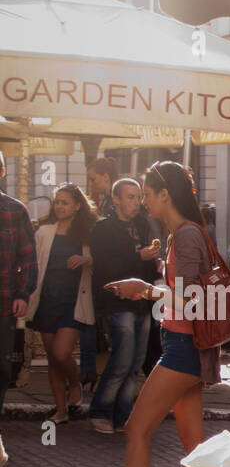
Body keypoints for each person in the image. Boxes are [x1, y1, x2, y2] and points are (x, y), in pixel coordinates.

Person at [108, 162, 213, 467]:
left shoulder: (185, 234)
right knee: (193, 442)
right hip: (183, 343)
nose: (144, 202)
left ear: (165, 195)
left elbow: (192, 302)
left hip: (183, 346)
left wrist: (144, 288)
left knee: (137, 428)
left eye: (149, 194)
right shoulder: (181, 233)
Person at [87, 178, 160, 434]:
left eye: (138, 196)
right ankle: (100, 410)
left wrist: (155, 263)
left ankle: (123, 415)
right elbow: (105, 266)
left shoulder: (142, 225)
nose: (136, 202)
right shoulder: (103, 228)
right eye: (130, 197)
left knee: (136, 361)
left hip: (142, 300)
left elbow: (145, 266)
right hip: (117, 301)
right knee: (121, 358)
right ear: (116, 199)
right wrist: (138, 256)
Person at [29, 184, 96, 424]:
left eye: (65, 202)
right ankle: (60, 409)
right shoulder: (44, 232)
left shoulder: (88, 233)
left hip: (74, 300)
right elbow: (33, 263)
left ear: (77, 205)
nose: (59, 206)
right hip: (47, 300)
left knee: (61, 352)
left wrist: (86, 259)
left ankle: (75, 383)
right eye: (57, 202)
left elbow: (101, 260)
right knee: (52, 357)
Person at [0, 152, 37, 413]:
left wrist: (23, 294)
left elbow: (29, 259)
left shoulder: (15, 210)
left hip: (3, 305)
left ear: (2, 171)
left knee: (1, 369)